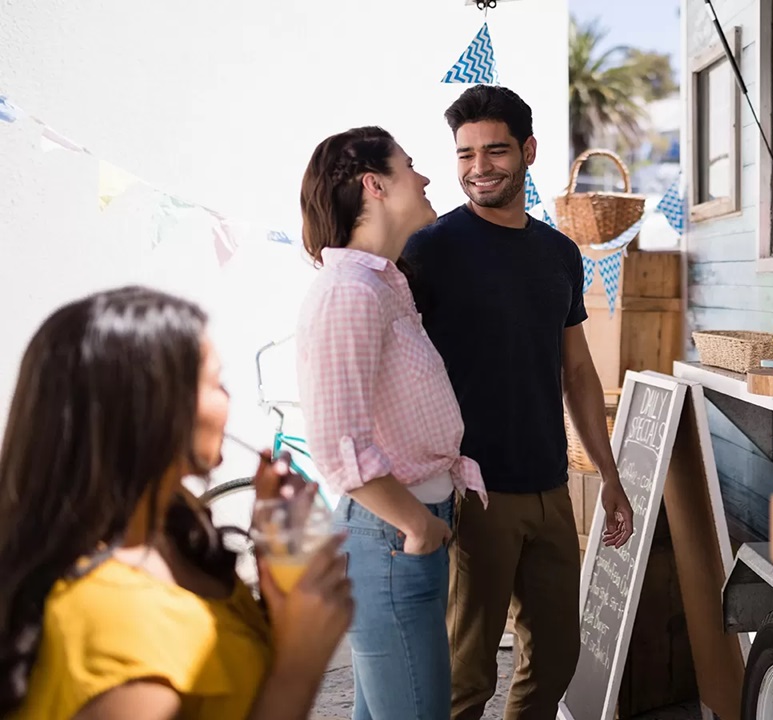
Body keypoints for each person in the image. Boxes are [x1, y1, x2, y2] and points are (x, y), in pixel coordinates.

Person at [0, 286, 352, 720]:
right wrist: (302, 662)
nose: (228, 399)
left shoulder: (171, 525)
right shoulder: (114, 626)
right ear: (152, 409)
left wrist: (277, 543)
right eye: (215, 382)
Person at [402, 85, 634, 720]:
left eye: (496, 150)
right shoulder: (430, 250)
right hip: (471, 490)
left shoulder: (559, 252)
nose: (480, 167)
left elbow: (578, 372)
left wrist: (609, 476)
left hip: (549, 485)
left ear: (528, 151)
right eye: (465, 153)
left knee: (557, 653)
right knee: (465, 677)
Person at [295, 126, 486, 720]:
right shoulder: (350, 291)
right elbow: (338, 445)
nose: (427, 177)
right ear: (374, 185)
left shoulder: (381, 283)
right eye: (410, 167)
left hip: (404, 533)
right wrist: (417, 527)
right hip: (390, 539)